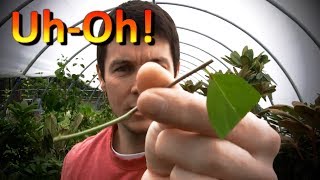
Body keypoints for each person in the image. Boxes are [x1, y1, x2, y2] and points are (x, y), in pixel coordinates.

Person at [61, 1, 280, 179]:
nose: (139, 87)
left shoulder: (212, 164)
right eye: (123, 68)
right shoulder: (77, 162)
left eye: (157, 67)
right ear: (101, 77)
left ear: (176, 71)